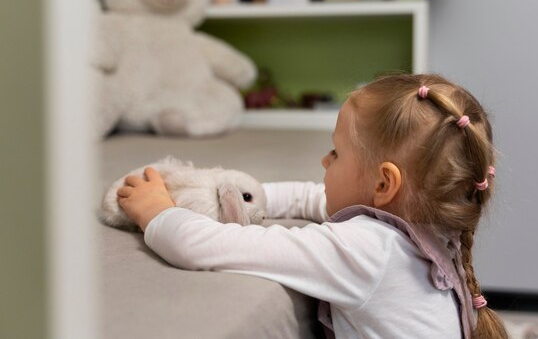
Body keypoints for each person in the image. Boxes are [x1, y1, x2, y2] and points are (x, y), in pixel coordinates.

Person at [117, 73, 509, 339]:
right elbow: (314, 197)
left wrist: (157, 211)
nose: (325, 162)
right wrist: (256, 195)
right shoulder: (430, 226)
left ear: (384, 183)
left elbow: (203, 246)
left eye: (336, 154)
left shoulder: (365, 249)